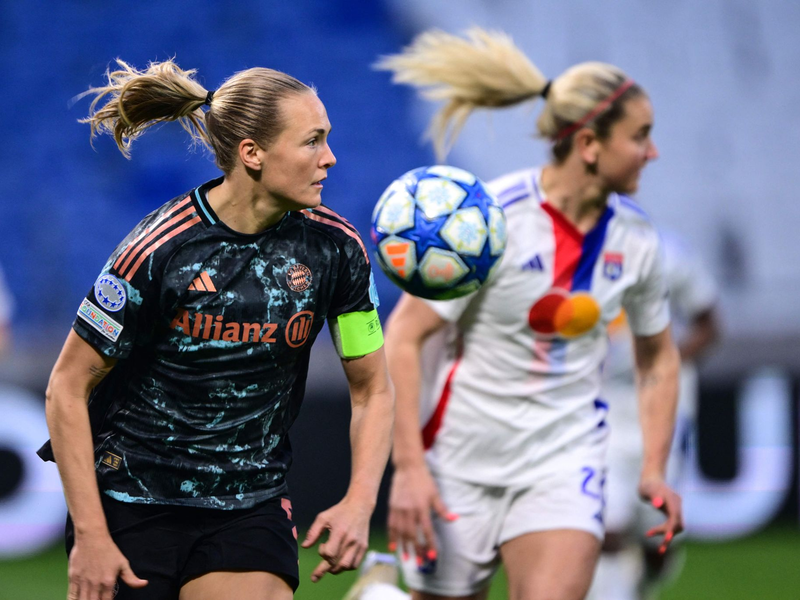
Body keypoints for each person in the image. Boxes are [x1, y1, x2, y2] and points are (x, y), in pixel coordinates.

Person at [37, 58, 394, 600]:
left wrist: (360, 501)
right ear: (252, 153)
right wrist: (90, 534)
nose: (330, 157)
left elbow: (372, 388)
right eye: (312, 141)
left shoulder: (336, 251)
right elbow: (67, 385)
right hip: (134, 503)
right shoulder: (159, 250)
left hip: (248, 507)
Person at [372, 28, 684, 600]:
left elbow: (658, 353)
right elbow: (405, 336)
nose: (653, 151)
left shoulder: (637, 239)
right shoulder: (488, 221)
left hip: (564, 461)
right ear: (589, 144)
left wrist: (655, 467)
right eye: (641, 136)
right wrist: (410, 470)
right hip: (461, 462)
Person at [587, 232, 720, 600]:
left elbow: (708, 323)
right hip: (602, 409)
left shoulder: (667, 255)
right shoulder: (574, 259)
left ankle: (645, 582)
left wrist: (663, 364)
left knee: (655, 538)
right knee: (606, 527)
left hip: (661, 413)